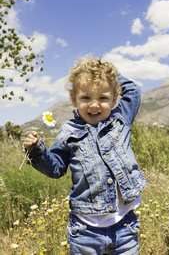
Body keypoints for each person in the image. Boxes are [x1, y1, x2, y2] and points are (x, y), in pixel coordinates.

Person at [24, 56, 147, 255]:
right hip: (85, 232)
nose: (94, 105)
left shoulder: (121, 119)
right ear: (74, 99)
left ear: (115, 98)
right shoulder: (68, 131)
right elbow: (55, 168)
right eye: (86, 98)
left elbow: (133, 90)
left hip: (125, 226)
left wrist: (109, 74)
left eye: (103, 98)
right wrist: (37, 150)